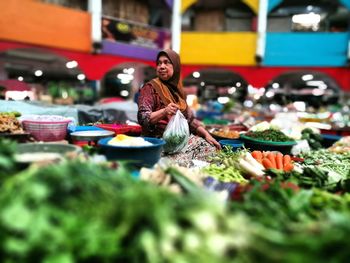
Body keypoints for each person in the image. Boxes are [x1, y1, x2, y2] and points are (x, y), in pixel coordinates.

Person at [137, 49, 221, 167]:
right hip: (157, 142)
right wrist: (164, 111)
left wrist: (207, 134)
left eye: (167, 62)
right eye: (159, 63)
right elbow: (142, 118)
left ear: (175, 66)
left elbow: (190, 120)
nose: (161, 66)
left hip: (177, 142)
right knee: (181, 162)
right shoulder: (150, 88)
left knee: (210, 149)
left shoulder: (178, 92)